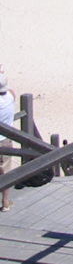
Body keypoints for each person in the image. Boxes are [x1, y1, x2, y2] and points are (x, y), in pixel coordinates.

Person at [0, 72, 15, 211]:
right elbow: (11, 91)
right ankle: (5, 202)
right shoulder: (10, 97)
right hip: (5, 141)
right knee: (5, 172)